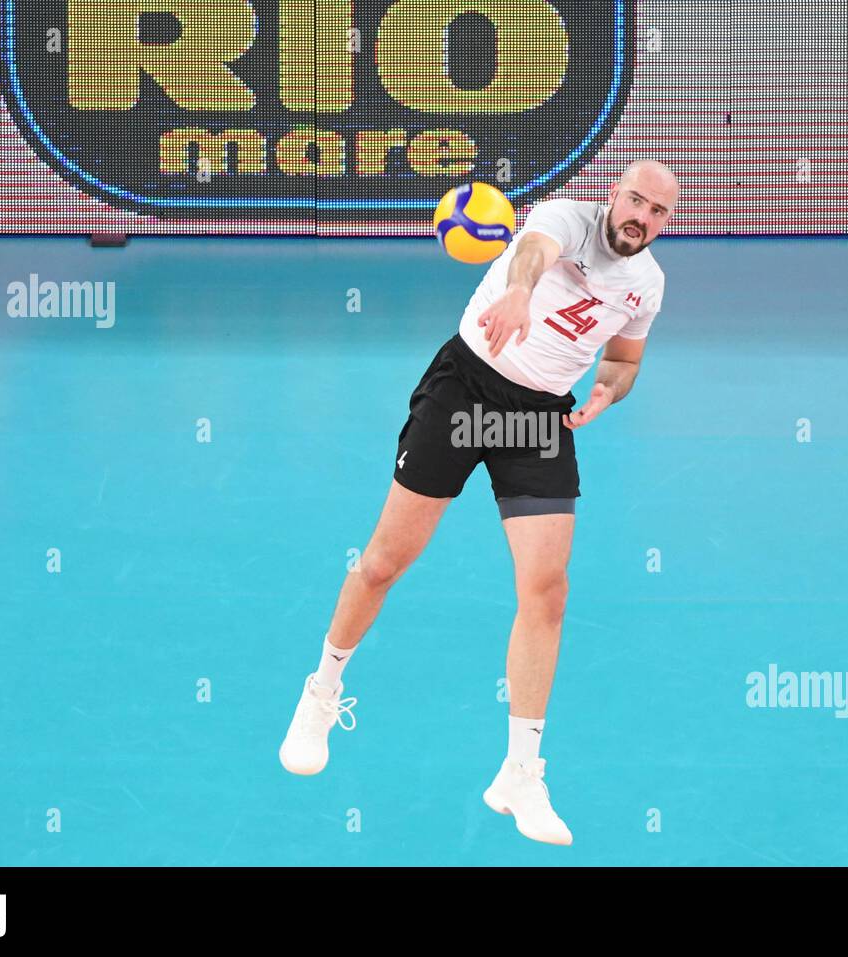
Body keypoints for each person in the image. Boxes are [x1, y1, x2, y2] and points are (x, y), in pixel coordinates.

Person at [280, 160, 679, 846]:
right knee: (383, 562)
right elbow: (533, 252)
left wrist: (610, 390)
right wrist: (520, 294)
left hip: (539, 418)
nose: (641, 217)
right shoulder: (564, 217)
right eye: (635, 200)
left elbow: (623, 360)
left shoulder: (647, 284)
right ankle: (321, 692)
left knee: (546, 590)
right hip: (465, 389)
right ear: (613, 194)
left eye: (657, 211)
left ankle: (520, 774)